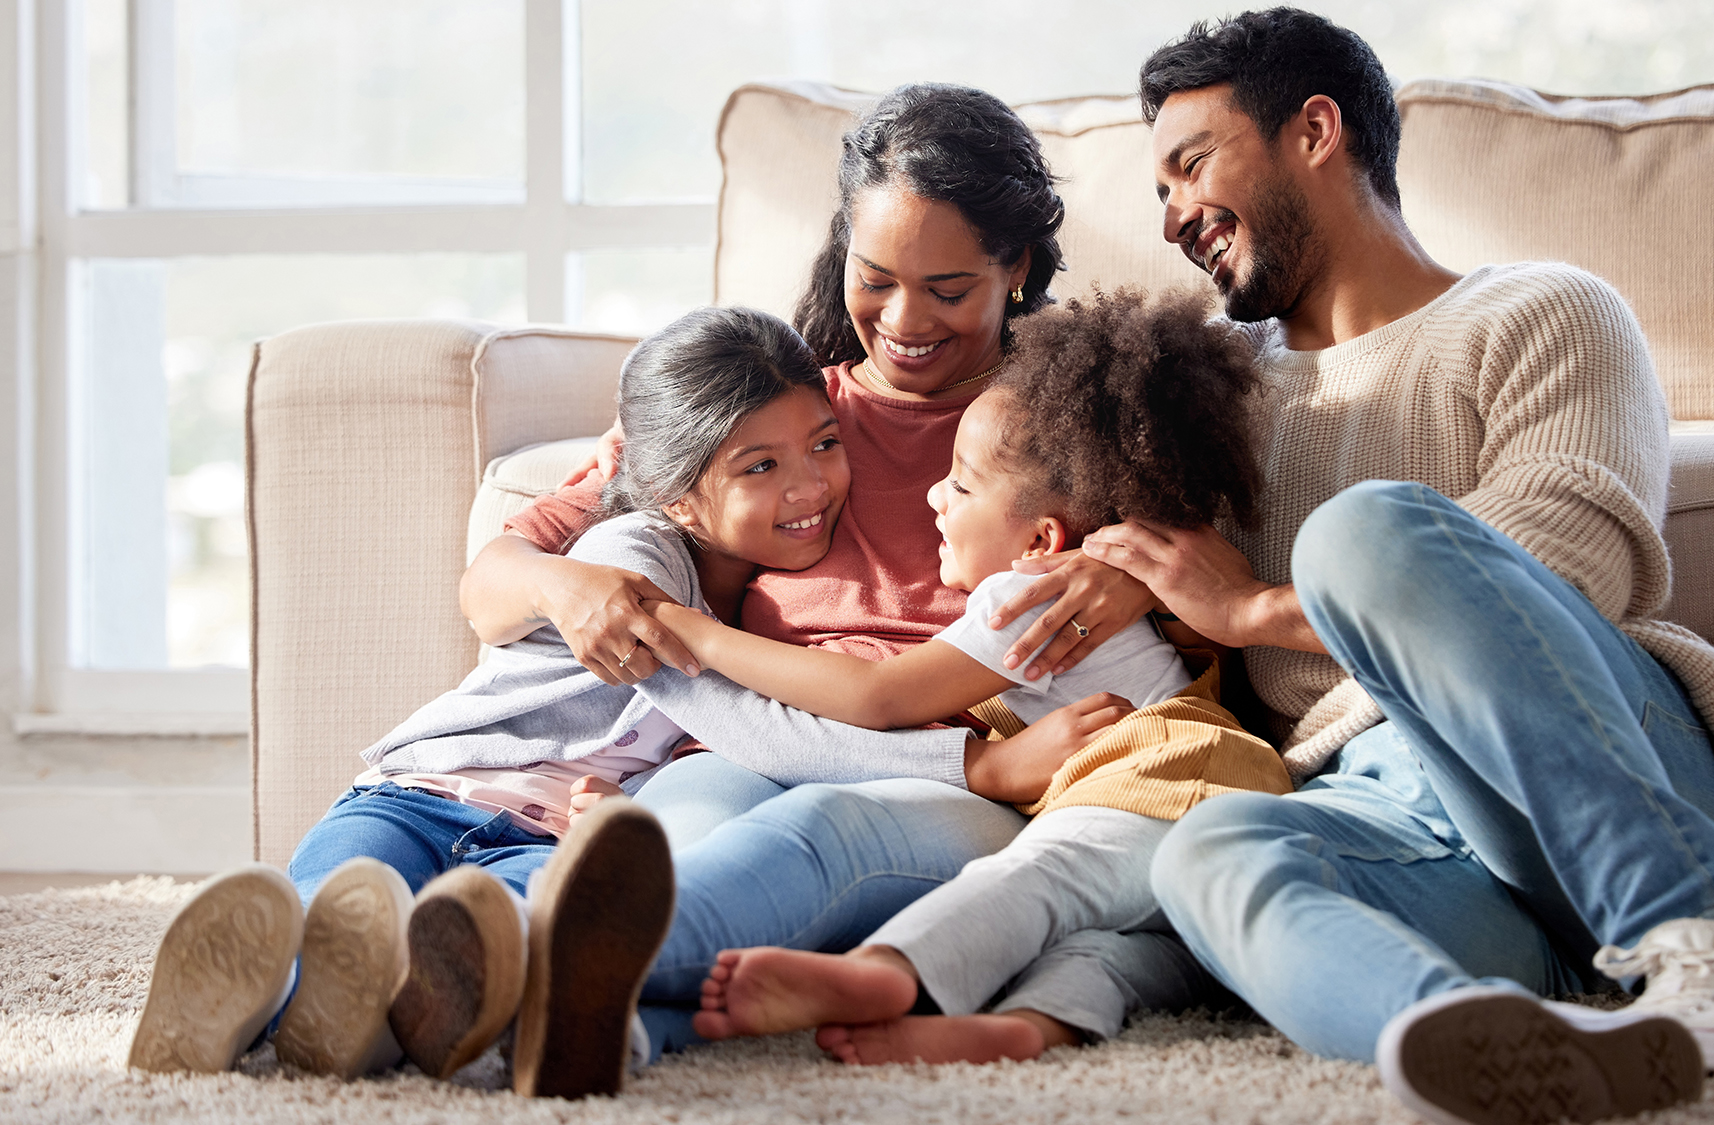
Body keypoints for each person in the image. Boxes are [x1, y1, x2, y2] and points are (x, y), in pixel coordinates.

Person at [980, 10, 1714, 1125]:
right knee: (1206, 854)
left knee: (1365, 530)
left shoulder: (1542, 310)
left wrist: (1249, 607)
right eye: (1155, 192)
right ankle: (1490, 1048)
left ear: (1315, 129)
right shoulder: (1203, 383)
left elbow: (1563, 564)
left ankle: (1710, 942)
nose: (1173, 216)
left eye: (1189, 165)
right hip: (1387, 817)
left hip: (1591, 762)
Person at [460, 83, 1214, 1091]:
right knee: (670, 840)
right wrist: (567, 590)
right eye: (876, 279)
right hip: (752, 734)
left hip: (949, 767)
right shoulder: (776, 401)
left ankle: (493, 967)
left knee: (810, 840)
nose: (903, 323)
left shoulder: (1066, 415)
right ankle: (607, 1030)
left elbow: (1197, 582)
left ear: (1016, 269)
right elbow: (496, 578)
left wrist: (1123, 573)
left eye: (947, 290)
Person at [127, 306, 1091, 1093]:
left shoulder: (748, 585)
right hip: (421, 793)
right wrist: (969, 764)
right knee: (326, 908)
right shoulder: (635, 567)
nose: (812, 487)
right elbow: (757, 727)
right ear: (675, 496)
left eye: (824, 442)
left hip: (543, 841)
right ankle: (246, 997)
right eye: (759, 466)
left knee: (472, 955)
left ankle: (344, 1030)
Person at [652, 290, 1289, 1065]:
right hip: (1197, 799)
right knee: (1111, 943)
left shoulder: (1024, 595)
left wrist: (701, 637)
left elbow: (876, 697)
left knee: (1042, 877)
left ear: (1042, 536)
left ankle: (886, 972)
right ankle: (1024, 1028)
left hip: (1173, 776)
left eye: (958, 484)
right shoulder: (1080, 579)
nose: (932, 495)